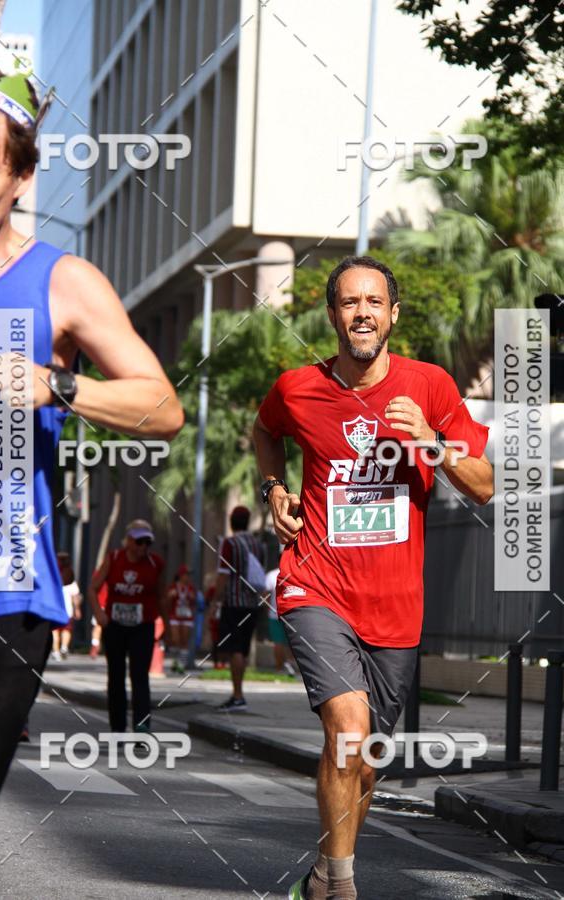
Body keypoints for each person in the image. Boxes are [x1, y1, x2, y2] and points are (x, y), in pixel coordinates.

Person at [0, 69, 183, 899]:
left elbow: (162, 406)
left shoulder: (62, 282)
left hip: (7, 597)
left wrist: (61, 387)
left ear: (22, 177)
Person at [252, 255, 493, 900]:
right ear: (332, 315)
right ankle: (343, 884)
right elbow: (265, 433)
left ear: (392, 314)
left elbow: (488, 485)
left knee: (365, 760)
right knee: (348, 732)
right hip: (315, 583)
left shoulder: (431, 387)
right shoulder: (297, 387)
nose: (362, 312)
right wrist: (275, 487)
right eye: (349, 302)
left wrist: (433, 445)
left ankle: (324, 872)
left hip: (395, 605)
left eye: (374, 302)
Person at [89, 520, 168, 733]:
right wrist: (99, 615)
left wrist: (165, 624)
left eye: (147, 543)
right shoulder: (114, 558)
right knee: (116, 676)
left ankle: (142, 727)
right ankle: (117, 727)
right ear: (129, 541)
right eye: (139, 542)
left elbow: (161, 596)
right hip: (115, 626)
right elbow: (93, 589)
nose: (143, 547)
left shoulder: (155, 563)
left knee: (139, 676)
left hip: (142, 626)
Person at [214, 506, 267, 712]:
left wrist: (214, 601)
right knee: (243, 650)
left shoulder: (229, 543)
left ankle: (238, 696)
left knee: (235, 648)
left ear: (231, 522)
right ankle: (238, 694)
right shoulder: (259, 545)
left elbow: (223, 575)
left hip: (234, 603)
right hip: (252, 604)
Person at [265, 564, 296, 677]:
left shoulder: (271, 575)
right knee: (292, 642)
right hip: (291, 613)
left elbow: (266, 595)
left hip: (274, 614)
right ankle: (291, 667)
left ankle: (279, 669)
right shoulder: (294, 571)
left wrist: (268, 609)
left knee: (278, 642)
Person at [51, 551, 82, 661]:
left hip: (55, 609)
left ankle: (56, 651)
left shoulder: (52, 574)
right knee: (66, 630)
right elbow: (75, 595)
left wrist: (77, 608)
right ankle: (63, 648)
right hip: (66, 610)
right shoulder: (70, 575)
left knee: (55, 631)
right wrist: (77, 609)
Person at [166, 563, 196, 674]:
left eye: (189, 575)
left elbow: (194, 602)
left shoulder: (191, 587)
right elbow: (167, 601)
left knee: (184, 641)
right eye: (186, 575)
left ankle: (181, 665)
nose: (188, 577)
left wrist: (192, 598)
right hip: (175, 615)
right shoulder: (174, 586)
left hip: (187, 616)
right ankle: (175, 662)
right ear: (181, 575)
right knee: (175, 639)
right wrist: (170, 596)